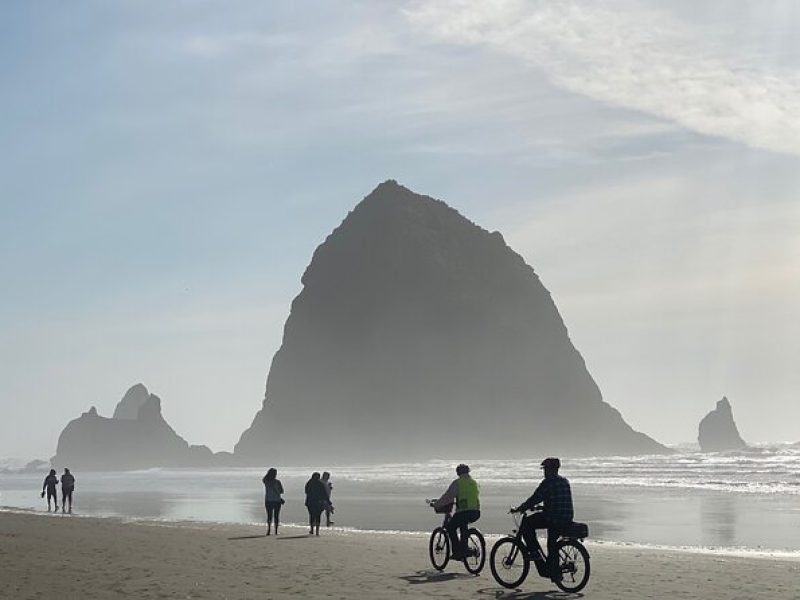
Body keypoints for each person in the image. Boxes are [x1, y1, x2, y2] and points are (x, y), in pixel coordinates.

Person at [511, 457, 573, 582]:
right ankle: (554, 572)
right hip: (566, 517)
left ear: (549, 470)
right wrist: (542, 507)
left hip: (553, 518)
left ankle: (534, 552)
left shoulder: (548, 482)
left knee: (527, 524)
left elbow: (535, 498)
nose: (544, 471)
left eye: (545, 469)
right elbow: (558, 502)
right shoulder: (564, 481)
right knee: (552, 543)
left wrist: (521, 508)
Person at [433, 463, 480, 560]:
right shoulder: (474, 482)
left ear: (458, 472)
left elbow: (448, 497)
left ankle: (457, 551)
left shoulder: (458, 483)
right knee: (463, 525)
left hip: (463, 512)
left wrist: (437, 504)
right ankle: (464, 548)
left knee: (450, 528)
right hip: (476, 512)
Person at [304, 472, 328, 536]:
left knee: (312, 515)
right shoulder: (320, 484)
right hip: (318, 502)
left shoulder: (309, 483)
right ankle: (317, 531)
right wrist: (328, 501)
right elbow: (324, 494)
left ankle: (312, 529)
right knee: (318, 516)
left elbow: (306, 492)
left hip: (310, 502)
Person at [262, 468, 284, 536]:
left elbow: (264, 478)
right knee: (276, 516)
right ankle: (276, 531)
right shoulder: (277, 482)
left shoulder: (266, 481)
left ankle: (268, 530)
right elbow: (281, 491)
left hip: (268, 500)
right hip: (277, 500)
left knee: (269, 516)